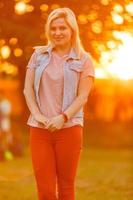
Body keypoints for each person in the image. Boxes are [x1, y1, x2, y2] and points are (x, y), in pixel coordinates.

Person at [23, 7, 95, 200]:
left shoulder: (85, 60)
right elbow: (27, 89)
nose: (57, 33)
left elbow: (82, 97)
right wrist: (38, 116)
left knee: (66, 188)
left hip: (70, 129)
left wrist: (62, 118)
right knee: (45, 191)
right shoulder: (38, 56)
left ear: (72, 30)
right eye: (53, 28)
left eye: (62, 28)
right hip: (39, 130)